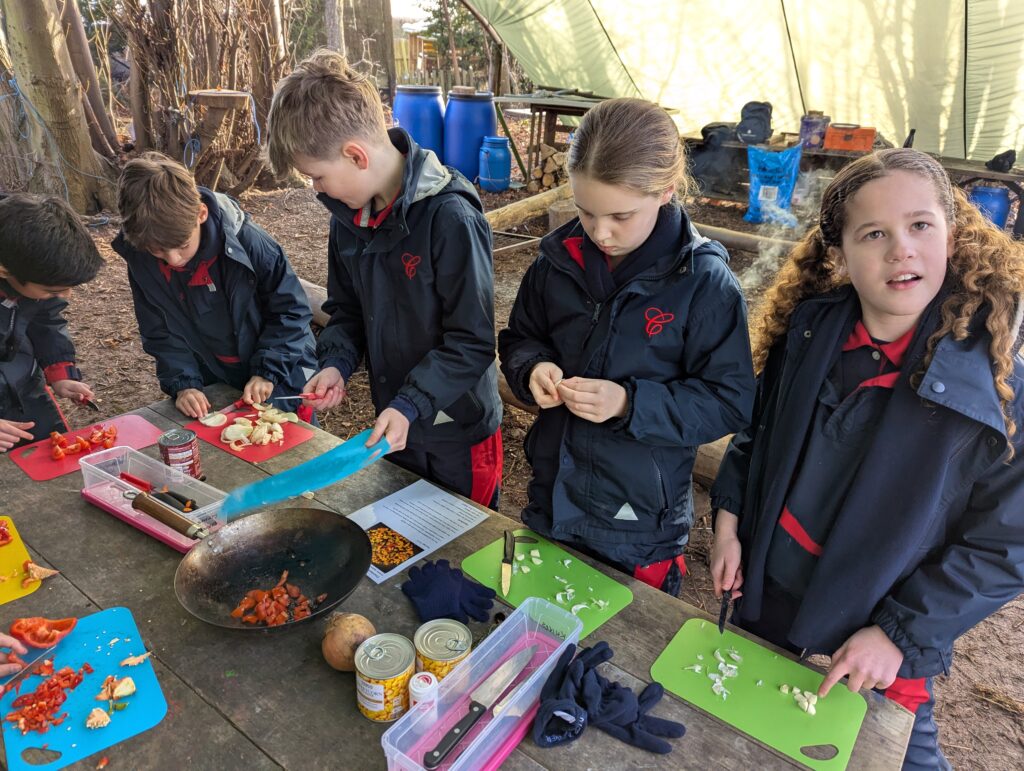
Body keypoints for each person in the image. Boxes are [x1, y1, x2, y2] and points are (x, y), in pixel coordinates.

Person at [710, 148, 1024, 769]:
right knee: (744, 733)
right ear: (840, 255)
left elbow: (1004, 546)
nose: (900, 249)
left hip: (885, 618)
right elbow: (757, 437)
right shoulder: (807, 331)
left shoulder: (995, 381)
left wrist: (898, 634)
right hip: (774, 588)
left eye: (919, 226)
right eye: (873, 233)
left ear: (953, 237)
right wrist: (728, 519)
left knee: (897, 755)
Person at [499, 98, 755, 594]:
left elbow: (730, 401)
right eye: (584, 211)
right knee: (538, 619)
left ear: (666, 191)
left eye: (620, 215)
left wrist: (629, 403)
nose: (600, 232)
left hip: (639, 520)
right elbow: (519, 338)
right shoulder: (557, 261)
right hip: (552, 492)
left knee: (625, 644)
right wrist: (533, 368)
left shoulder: (703, 283)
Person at [265, 51, 503, 509]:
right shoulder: (349, 219)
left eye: (318, 177)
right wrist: (335, 361)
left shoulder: (450, 216)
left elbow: (471, 342)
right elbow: (347, 308)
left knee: (463, 543)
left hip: (457, 428)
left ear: (355, 155)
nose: (317, 190)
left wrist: (411, 404)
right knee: (407, 532)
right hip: (397, 420)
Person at [112, 153, 317, 421]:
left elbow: (291, 311)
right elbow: (159, 329)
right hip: (212, 374)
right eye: (158, 250)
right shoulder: (141, 258)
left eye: (182, 246)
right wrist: (183, 383)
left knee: (290, 436)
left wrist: (267, 370)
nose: (172, 259)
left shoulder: (251, 244)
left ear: (201, 214)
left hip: (281, 368)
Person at [0, 193, 103, 451]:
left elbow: (45, 318)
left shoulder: (31, 263)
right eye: (51, 290)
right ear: (4, 270)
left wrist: (60, 373)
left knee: (50, 455)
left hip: (25, 388)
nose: (65, 297)